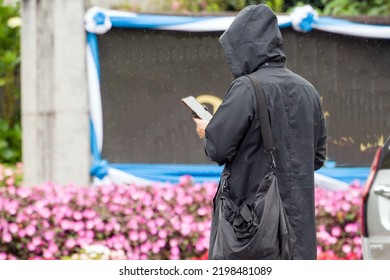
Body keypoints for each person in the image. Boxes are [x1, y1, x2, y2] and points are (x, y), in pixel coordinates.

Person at [193, 4, 327, 260]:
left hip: (252, 232)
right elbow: (317, 159)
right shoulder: (308, 91)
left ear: (244, 47)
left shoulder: (246, 87)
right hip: (298, 233)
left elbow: (217, 148)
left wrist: (207, 130)